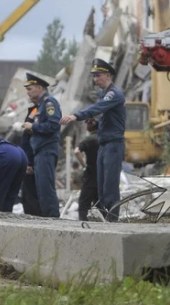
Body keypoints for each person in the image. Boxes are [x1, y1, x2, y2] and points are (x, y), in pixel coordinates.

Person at [61, 59, 126, 222]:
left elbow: (97, 108)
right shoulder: (105, 95)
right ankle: (105, 219)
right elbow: (106, 117)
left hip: (113, 145)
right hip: (104, 145)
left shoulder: (113, 94)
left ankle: (112, 221)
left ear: (108, 75)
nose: (95, 80)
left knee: (110, 186)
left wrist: (77, 115)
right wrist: (95, 123)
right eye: (94, 77)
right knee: (102, 187)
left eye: (98, 76)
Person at [21, 73, 61, 218]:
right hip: (39, 152)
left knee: (46, 189)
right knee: (41, 190)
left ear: (39, 87)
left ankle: (53, 220)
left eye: (30, 89)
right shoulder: (39, 106)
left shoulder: (49, 103)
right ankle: (47, 218)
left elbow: (53, 124)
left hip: (46, 150)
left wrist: (33, 126)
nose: (28, 92)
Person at [18, 103, 42, 216]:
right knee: (26, 195)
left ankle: (35, 218)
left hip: (30, 165)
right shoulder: (33, 111)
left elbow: (32, 144)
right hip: (27, 162)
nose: (28, 92)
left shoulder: (38, 110)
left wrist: (30, 164)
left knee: (31, 194)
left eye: (30, 89)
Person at [75, 118, 100, 221]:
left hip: (90, 175)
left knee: (84, 202)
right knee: (99, 203)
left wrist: (84, 165)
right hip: (102, 176)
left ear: (92, 124)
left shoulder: (90, 139)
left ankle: (83, 223)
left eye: (87, 123)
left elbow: (77, 151)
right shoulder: (103, 138)